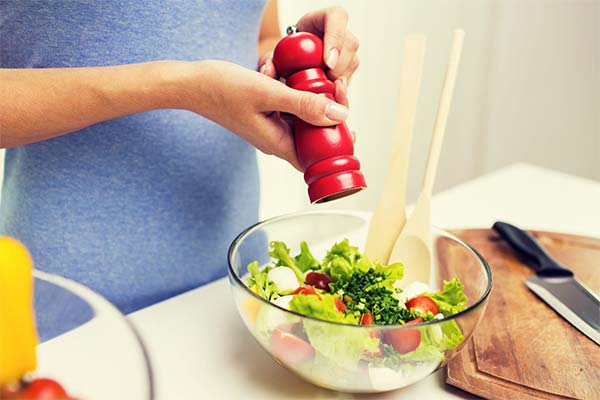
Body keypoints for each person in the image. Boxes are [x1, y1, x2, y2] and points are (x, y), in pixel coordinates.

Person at [0, 1, 360, 313]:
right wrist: (180, 86)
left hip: (240, 282)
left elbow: (257, 35)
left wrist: (288, 58)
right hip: (73, 308)